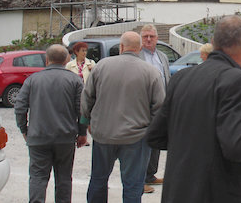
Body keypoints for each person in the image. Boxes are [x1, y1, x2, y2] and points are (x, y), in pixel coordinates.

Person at [147, 15, 241, 203]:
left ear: (213, 43)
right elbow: (239, 146)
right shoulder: (239, 81)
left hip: (177, 193)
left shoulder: (182, 77)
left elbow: (156, 135)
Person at [81, 31, 165, 203]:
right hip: (136, 137)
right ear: (140, 48)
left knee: (98, 179)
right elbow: (160, 107)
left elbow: (87, 97)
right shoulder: (151, 72)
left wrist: (86, 122)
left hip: (104, 134)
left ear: (121, 46)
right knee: (133, 185)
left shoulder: (101, 67)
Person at [15, 44, 87, 203]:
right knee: (64, 178)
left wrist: (24, 129)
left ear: (46, 60)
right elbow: (82, 109)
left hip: (38, 136)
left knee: (38, 177)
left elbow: (20, 107)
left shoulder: (32, 80)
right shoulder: (74, 80)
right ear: (66, 60)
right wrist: (82, 133)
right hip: (65, 138)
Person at [138, 24, 170, 194]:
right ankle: (140, 179)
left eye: (151, 36)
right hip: (142, 108)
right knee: (143, 145)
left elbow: (167, 79)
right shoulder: (137, 56)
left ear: (157, 38)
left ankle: (150, 175)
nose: (148, 39)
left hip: (161, 108)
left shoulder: (162, 57)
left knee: (156, 142)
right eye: (145, 36)